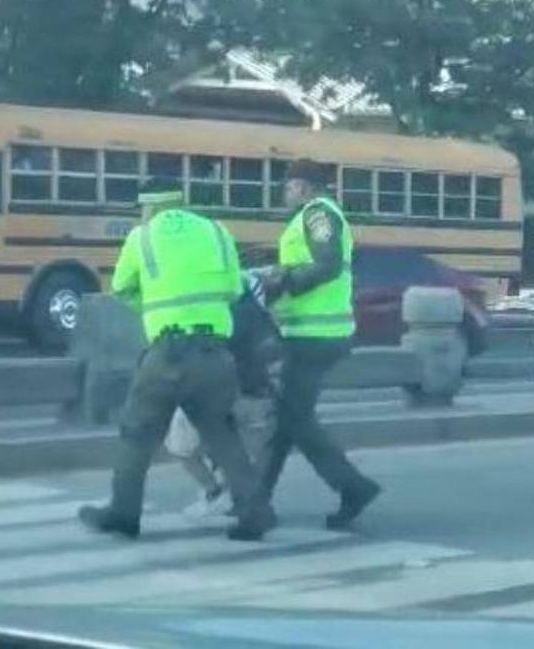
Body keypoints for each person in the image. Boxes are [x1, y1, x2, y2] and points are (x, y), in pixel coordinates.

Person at [77, 183, 271, 542]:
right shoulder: (217, 231)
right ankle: (254, 514)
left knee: (137, 433)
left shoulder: (142, 237)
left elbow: (122, 288)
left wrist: (153, 310)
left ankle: (124, 514)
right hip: (215, 353)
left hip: (167, 353)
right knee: (222, 434)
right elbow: (234, 290)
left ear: (149, 207)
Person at [257, 159, 381, 530]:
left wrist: (284, 282)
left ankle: (353, 487)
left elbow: (328, 264)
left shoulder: (318, 215)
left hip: (316, 335)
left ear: (302, 185)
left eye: (288, 186)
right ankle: (256, 498)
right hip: (309, 333)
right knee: (287, 419)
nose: (284, 193)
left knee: (294, 419)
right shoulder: (311, 216)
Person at [176, 271, 280, 519]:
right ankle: (249, 501)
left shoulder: (207, 313)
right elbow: (274, 353)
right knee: (249, 452)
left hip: (216, 393)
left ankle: (216, 492)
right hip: (255, 394)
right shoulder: (259, 315)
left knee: (183, 447)